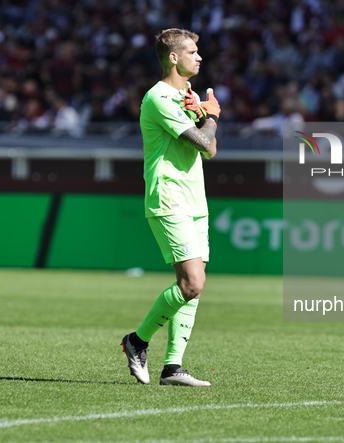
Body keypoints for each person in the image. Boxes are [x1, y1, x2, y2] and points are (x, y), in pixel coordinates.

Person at [121, 28, 220, 387]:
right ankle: (137, 341)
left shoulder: (187, 96)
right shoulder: (160, 97)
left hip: (195, 199)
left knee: (196, 283)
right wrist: (211, 116)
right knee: (191, 283)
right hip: (169, 197)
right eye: (192, 51)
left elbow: (210, 151)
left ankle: (173, 367)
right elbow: (203, 139)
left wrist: (201, 112)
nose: (200, 57)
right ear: (174, 58)